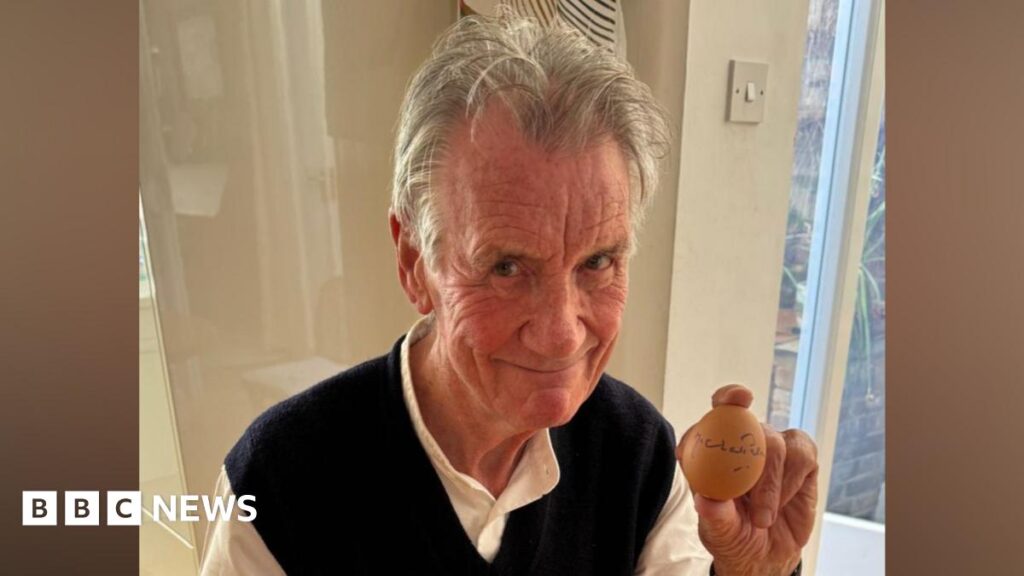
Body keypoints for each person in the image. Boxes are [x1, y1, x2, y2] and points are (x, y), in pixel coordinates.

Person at [201, 12, 818, 576]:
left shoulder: (637, 456)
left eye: (598, 261)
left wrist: (751, 572)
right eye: (506, 267)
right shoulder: (280, 484)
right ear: (416, 261)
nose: (562, 333)